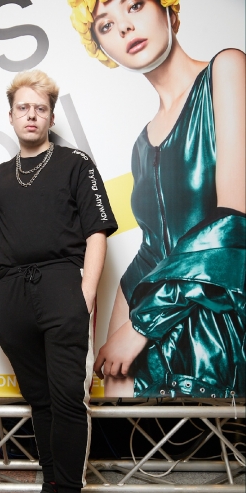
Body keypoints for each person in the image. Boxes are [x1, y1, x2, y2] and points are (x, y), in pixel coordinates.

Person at [69, 0, 245, 399]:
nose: (124, 28)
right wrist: (114, 342)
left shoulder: (227, 69)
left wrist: (140, 326)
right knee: (116, 421)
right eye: (106, 26)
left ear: (168, 10)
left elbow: (236, 220)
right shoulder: (142, 144)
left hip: (221, 325)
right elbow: (152, 251)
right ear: (102, 49)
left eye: (134, 6)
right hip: (155, 327)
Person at [0, 69, 118, 493]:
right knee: (40, 401)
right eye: (24, 107)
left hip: (62, 286)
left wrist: (84, 296)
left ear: (51, 116)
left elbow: (98, 233)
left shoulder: (76, 164)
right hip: (12, 296)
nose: (32, 115)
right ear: (11, 115)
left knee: (66, 401)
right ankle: (49, 489)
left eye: (40, 108)